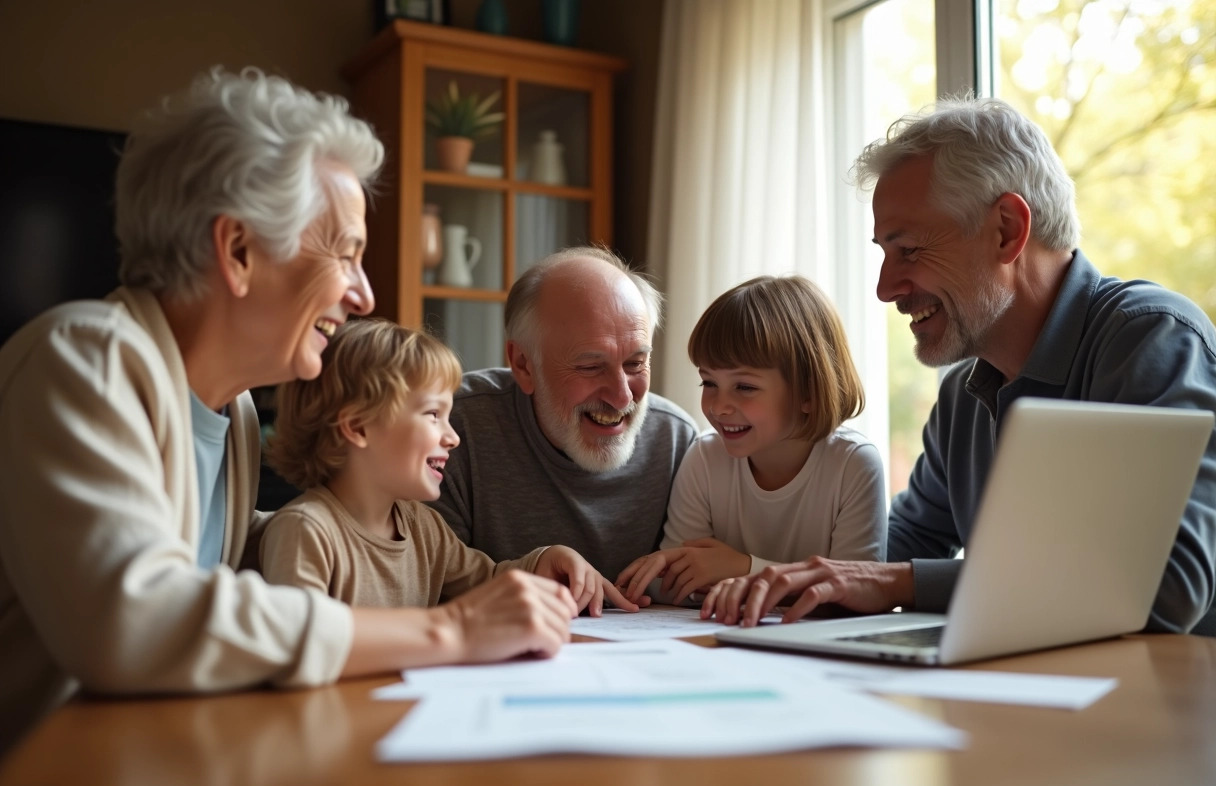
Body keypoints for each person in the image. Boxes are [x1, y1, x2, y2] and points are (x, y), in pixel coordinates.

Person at [0, 68, 576, 756]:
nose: (363, 295)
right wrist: (452, 630)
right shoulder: (85, 359)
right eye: (346, 253)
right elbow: (138, 618)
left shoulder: (235, 411)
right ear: (239, 251)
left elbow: (213, 552)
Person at [703, 96, 1216, 633]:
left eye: (909, 250)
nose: (884, 289)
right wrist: (767, 577)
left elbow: (1167, 592)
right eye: (882, 253)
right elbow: (893, 552)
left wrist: (904, 583)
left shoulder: (1151, 340)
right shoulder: (965, 395)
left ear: (1007, 230)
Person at [260, 317, 632, 615]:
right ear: (357, 427)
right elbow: (299, 645)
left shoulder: (422, 526)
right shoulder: (305, 532)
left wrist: (543, 562)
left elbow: (487, 581)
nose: (452, 437)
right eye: (433, 415)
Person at [431, 246, 701, 585]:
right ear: (524, 365)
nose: (621, 397)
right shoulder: (452, 429)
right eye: (590, 367)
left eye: (635, 364)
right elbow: (431, 584)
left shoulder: (676, 442)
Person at [615, 275, 886, 606]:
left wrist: (743, 568)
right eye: (708, 383)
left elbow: (858, 594)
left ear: (808, 392)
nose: (718, 407)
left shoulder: (853, 465)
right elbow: (673, 584)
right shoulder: (704, 458)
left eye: (744, 387)